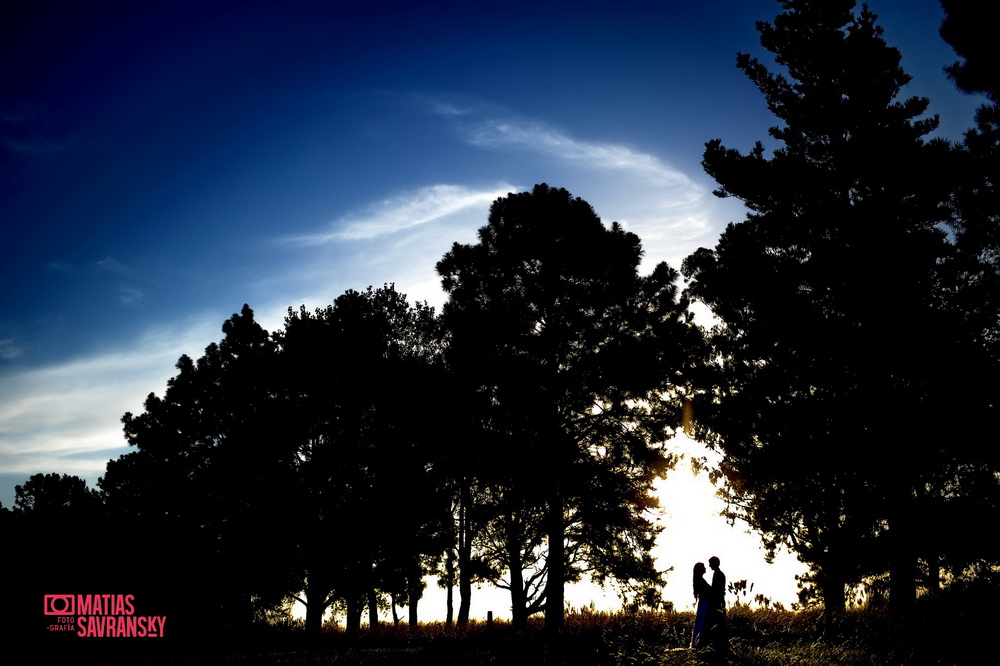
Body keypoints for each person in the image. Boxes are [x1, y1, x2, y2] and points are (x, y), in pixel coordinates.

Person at [706, 556, 728, 654]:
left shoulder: (718, 574)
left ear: (715, 563)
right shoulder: (718, 574)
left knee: (718, 624)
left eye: (710, 563)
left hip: (717, 603)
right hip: (719, 601)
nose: (709, 565)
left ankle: (719, 646)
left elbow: (716, 590)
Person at [690, 562, 712, 648]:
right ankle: (698, 643)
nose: (705, 568)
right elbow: (707, 592)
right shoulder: (700, 581)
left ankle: (697, 642)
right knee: (702, 623)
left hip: (703, 603)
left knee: (701, 622)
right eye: (703, 567)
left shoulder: (699, 580)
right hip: (704, 603)